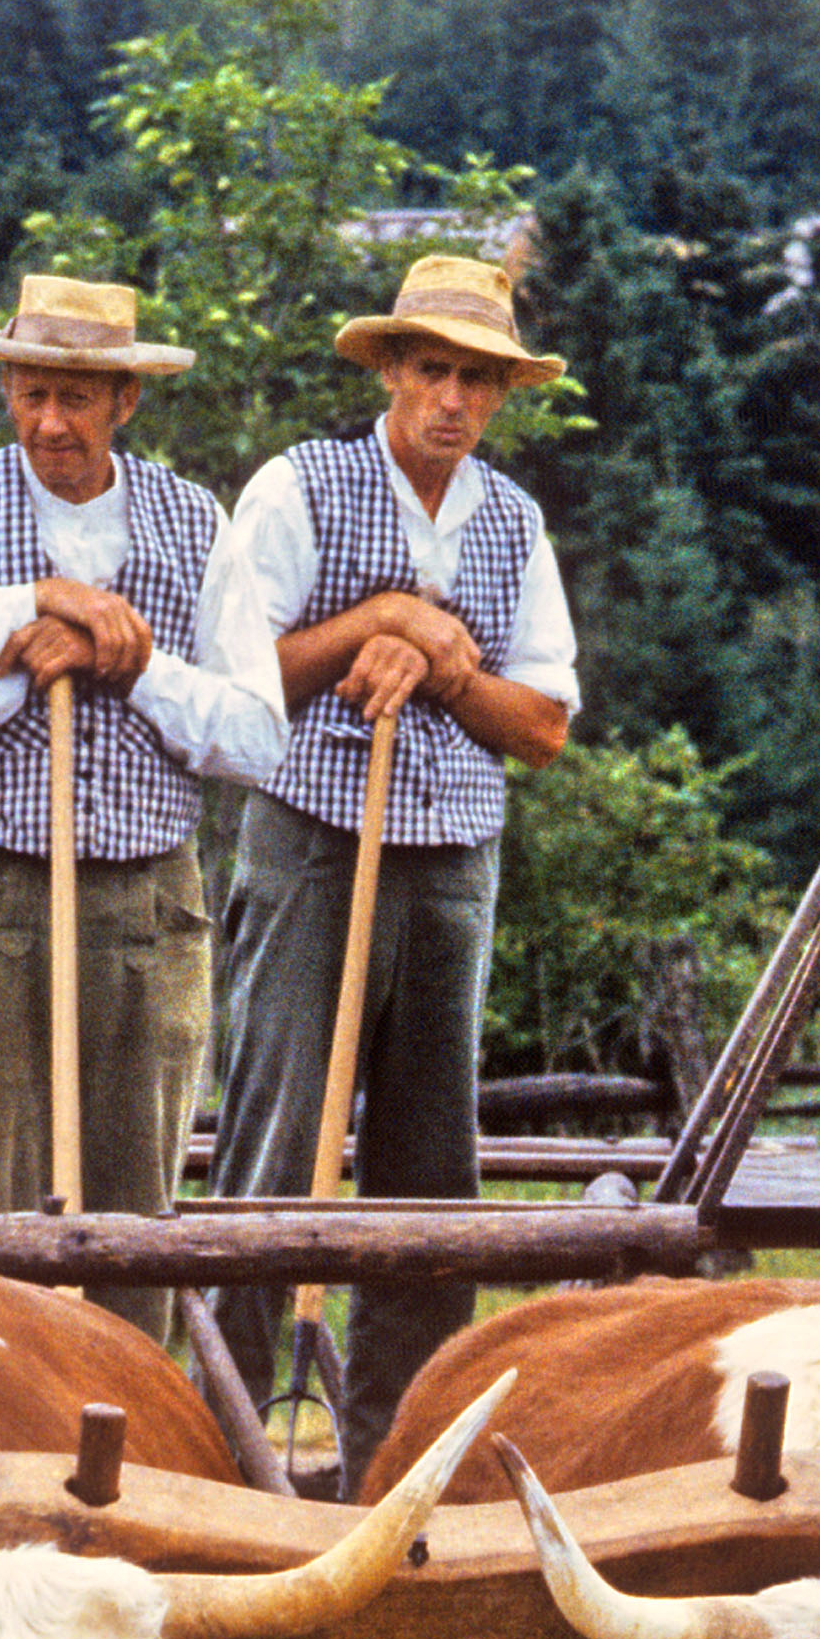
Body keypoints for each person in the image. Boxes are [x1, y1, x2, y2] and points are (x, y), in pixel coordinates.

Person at [202, 226, 580, 1474]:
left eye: (480, 381)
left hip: (452, 865)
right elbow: (234, 682)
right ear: (391, 374)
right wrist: (374, 619)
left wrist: (447, 660)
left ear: (503, 396)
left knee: (431, 1173)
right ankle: (228, 1448)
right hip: (311, 842)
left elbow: (543, 726)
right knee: (274, 1146)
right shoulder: (299, 485)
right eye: (433, 373)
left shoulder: (516, 522)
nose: (455, 401)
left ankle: (395, 1463)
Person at [0, 269, 281, 1222]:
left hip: (148, 908)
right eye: (32, 392)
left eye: (77, 398)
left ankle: (125, 1378)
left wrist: (133, 667)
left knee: (135, 1218)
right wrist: (24, 610)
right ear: (6, 388)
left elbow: (260, 737)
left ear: (126, 400)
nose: (51, 421)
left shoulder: (195, 522)